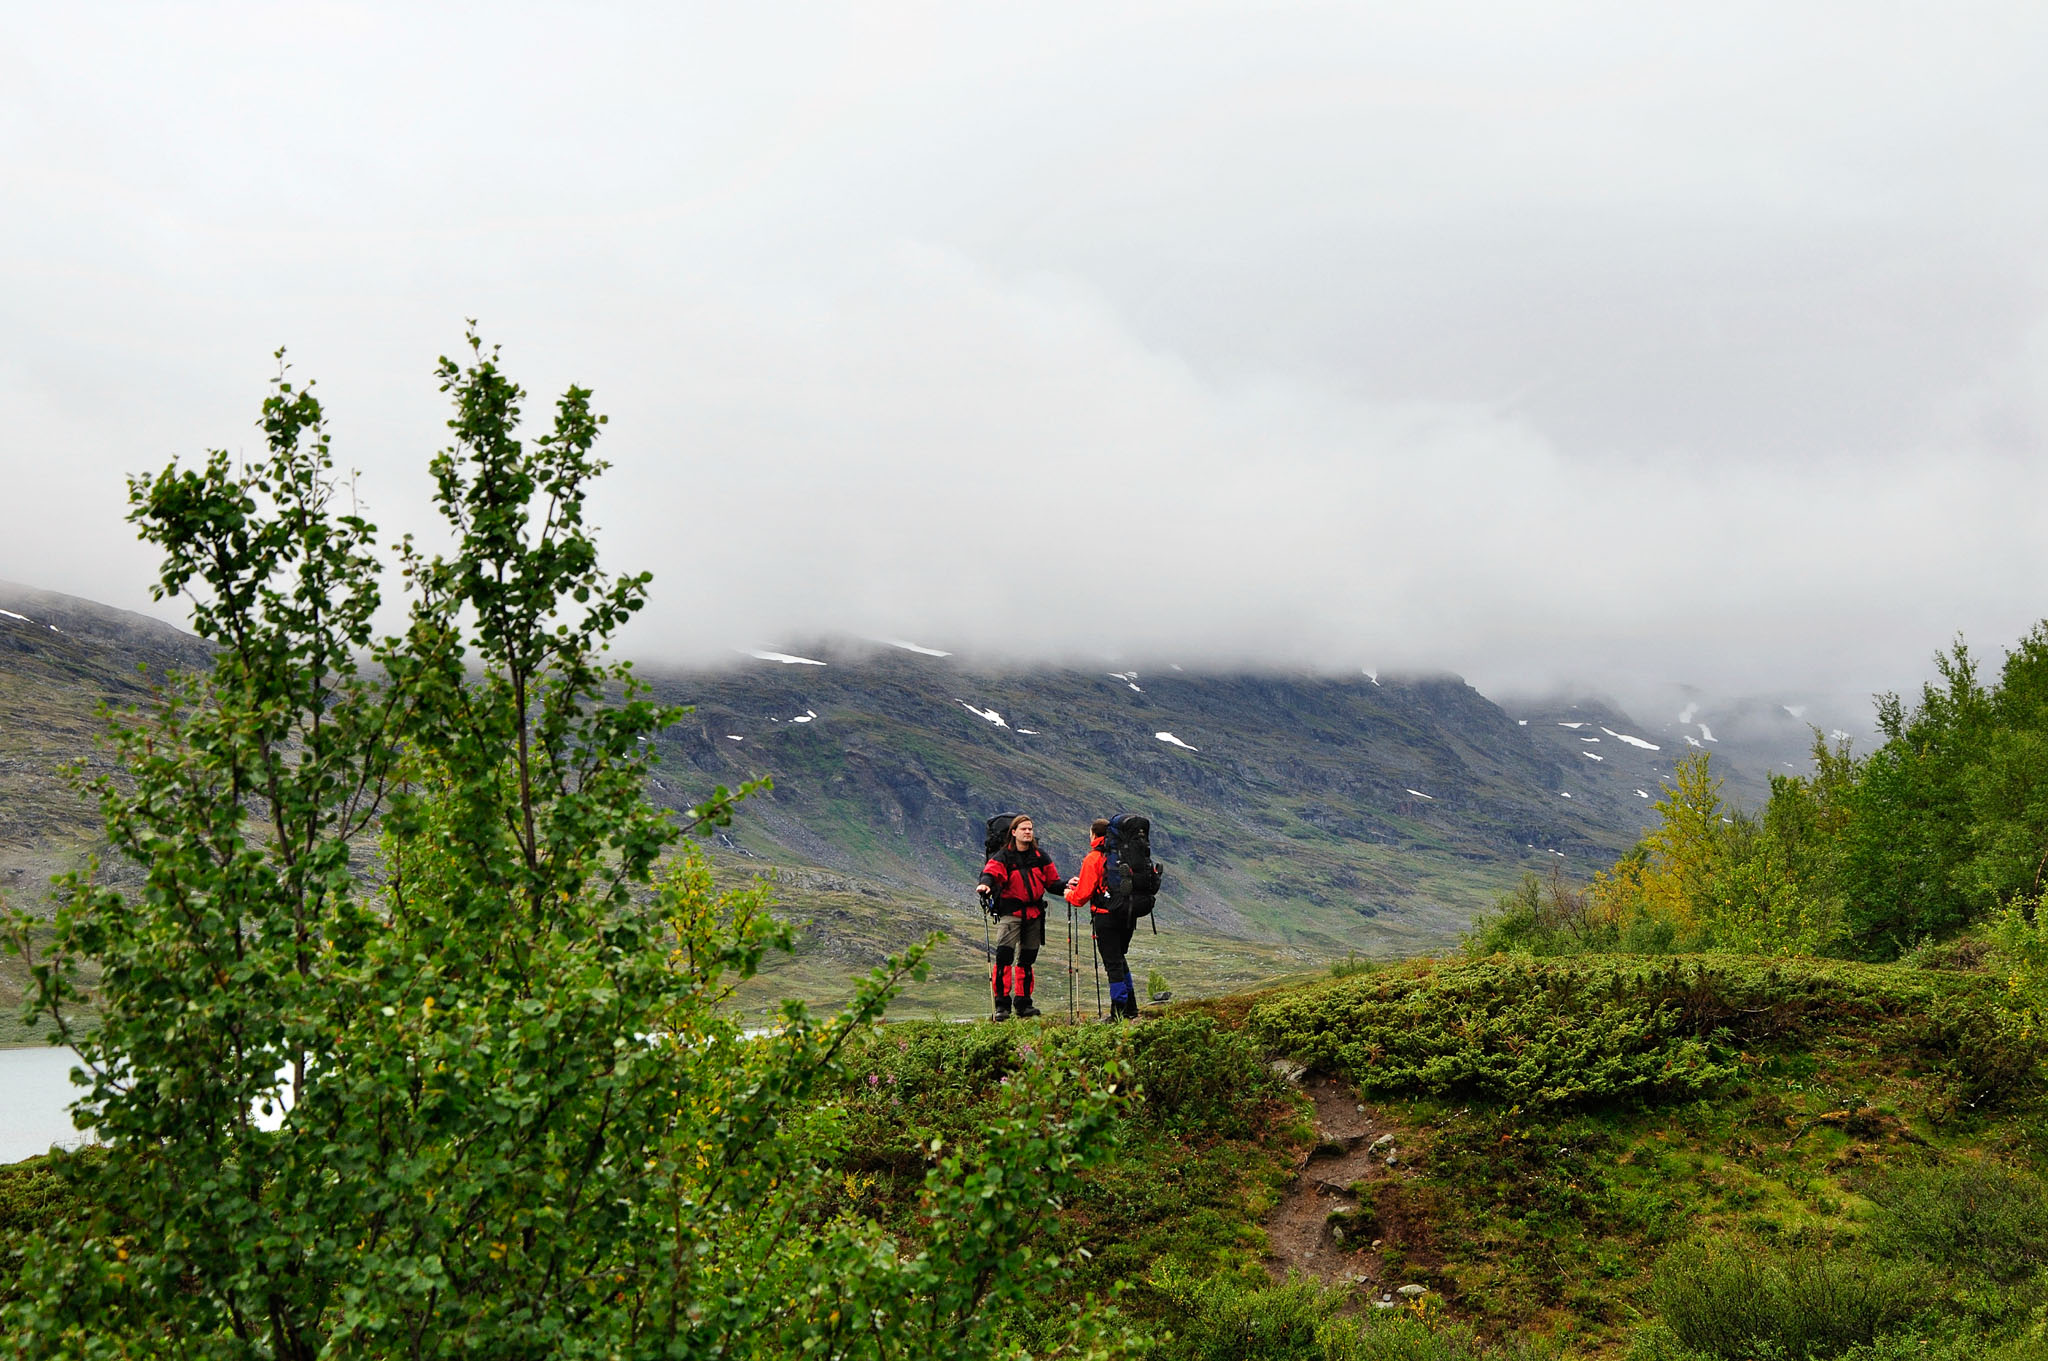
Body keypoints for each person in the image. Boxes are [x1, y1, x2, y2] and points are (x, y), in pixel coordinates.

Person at [1065, 817, 1159, 1021]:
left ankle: (1117, 1013)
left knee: (1113, 964)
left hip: (1106, 917)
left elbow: (1081, 897)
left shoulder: (1094, 858)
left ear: (1094, 834)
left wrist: (1068, 895)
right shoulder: (1122, 856)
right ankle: (1131, 1009)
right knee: (1120, 960)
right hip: (1128, 914)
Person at [977, 815, 1064, 1020]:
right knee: (1004, 959)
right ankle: (1002, 1006)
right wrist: (985, 884)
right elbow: (990, 873)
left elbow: (1052, 883)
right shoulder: (1003, 857)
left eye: (1030, 829)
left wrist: (1068, 885)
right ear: (1013, 832)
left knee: (1027, 960)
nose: (1028, 832)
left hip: (1034, 915)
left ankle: (1024, 1004)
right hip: (1011, 915)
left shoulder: (1040, 856)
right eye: (1024, 829)